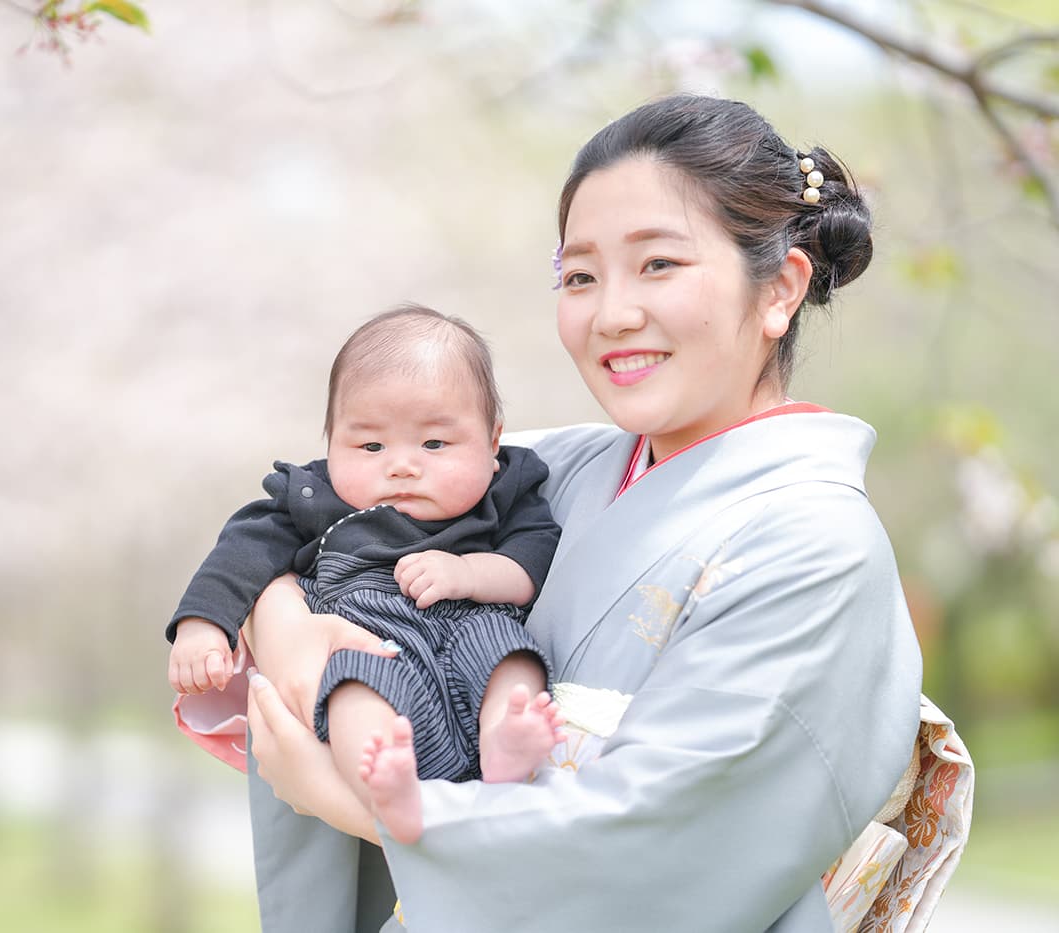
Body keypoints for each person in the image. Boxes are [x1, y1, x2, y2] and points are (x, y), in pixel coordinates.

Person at [241, 94, 927, 932]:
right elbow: (304, 512)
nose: (611, 314)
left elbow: (665, 839)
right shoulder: (547, 470)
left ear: (780, 288)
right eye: (579, 276)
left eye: (659, 265)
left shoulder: (818, 543)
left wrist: (358, 806)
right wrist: (283, 625)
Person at [166, 305, 566, 843]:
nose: (401, 465)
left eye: (434, 444)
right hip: (368, 638)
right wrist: (202, 624)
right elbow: (242, 554)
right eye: (371, 446)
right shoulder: (313, 500)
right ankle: (381, 786)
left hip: (471, 619)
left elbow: (531, 562)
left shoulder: (507, 492)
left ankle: (505, 741)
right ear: (330, 443)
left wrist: (468, 573)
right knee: (353, 689)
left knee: (511, 658)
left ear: (493, 441)